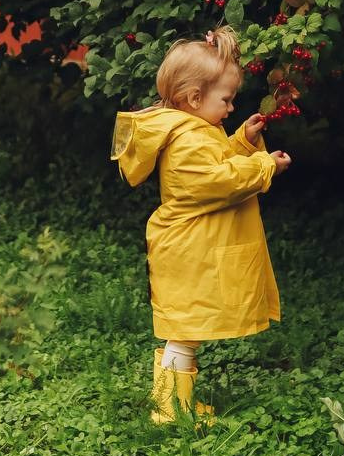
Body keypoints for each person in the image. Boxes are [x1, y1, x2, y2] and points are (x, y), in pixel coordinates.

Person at [111, 25, 291, 423]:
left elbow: (218, 162)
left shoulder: (194, 129)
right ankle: (170, 410)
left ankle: (176, 402)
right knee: (184, 328)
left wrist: (243, 141)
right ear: (195, 98)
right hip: (189, 249)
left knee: (186, 327)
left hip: (192, 246)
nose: (230, 109)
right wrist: (264, 165)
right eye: (226, 101)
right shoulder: (189, 138)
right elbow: (219, 181)